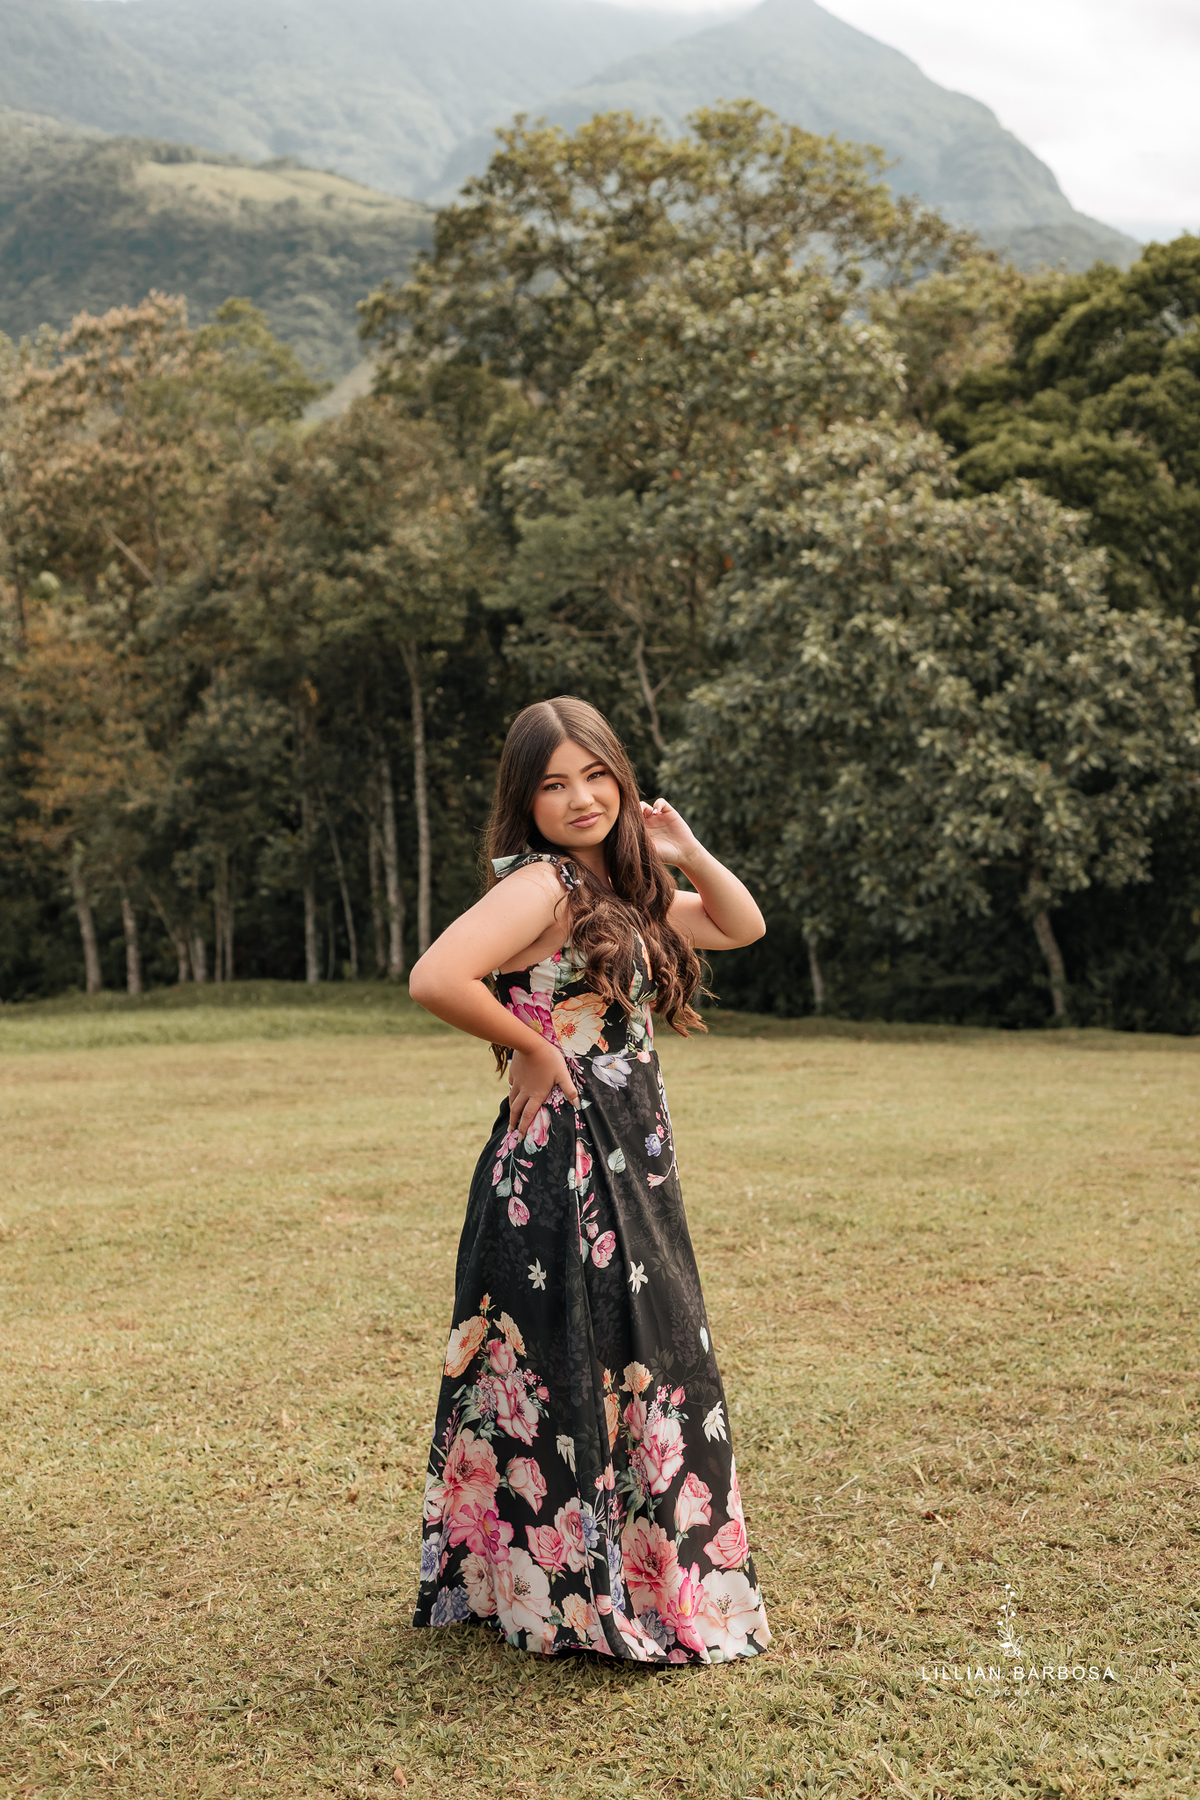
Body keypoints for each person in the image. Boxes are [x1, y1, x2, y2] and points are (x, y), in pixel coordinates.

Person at [407, 695, 772, 1663]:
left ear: (621, 774)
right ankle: (576, 1591)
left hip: (629, 1154)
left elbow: (739, 926)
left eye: (595, 775)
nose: (579, 797)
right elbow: (437, 976)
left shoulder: (614, 893)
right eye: (553, 784)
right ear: (525, 802)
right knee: (585, 1355)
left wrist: (685, 847)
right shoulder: (543, 887)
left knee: (636, 1348)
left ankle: (618, 1578)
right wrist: (529, 1045)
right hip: (563, 1160)